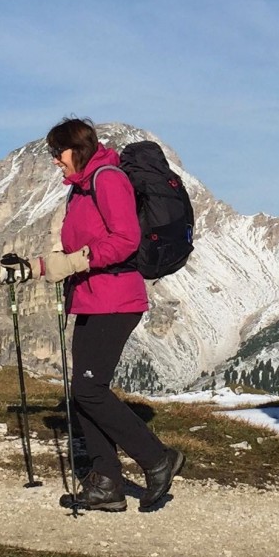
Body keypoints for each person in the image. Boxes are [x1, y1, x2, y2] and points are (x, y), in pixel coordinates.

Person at [30, 117, 182, 512]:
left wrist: (78, 261)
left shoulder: (107, 179)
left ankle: (156, 458)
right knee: (84, 390)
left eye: (56, 153)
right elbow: (77, 250)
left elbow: (126, 239)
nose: (54, 161)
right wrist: (38, 268)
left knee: (89, 389)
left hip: (116, 298)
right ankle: (106, 482)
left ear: (75, 149)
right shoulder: (79, 189)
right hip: (90, 298)